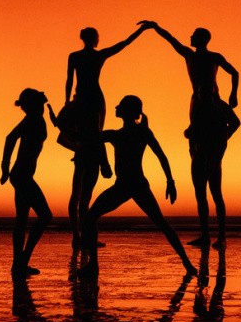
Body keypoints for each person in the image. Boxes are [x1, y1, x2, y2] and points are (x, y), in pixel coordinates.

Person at [143, 21, 240, 248]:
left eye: (194, 34)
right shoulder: (189, 56)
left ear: (203, 39)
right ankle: (206, 235)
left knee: (215, 190)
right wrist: (156, 27)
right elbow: (172, 41)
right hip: (198, 118)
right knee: (200, 191)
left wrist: (234, 96)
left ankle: (221, 236)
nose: (190, 36)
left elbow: (234, 73)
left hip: (212, 121)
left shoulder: (213, 60)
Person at [78, 95, 198, 278]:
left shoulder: (130, 134)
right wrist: (170, 182)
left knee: (91, 217)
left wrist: (171, 182)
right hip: (128, 185)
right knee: (90, 217)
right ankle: (187, 264)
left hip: (132, 185)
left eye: (120, 106)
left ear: (128, 111)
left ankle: (187, 263)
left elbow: (161, 156)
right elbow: (89, 138)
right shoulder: (123, 134)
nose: (116, 108)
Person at [63, 25, 149, 248]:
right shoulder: (95, 55)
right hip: (90, 99)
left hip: (85, 98)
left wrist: (67, 104)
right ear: (94, 39)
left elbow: (69, 82)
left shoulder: (77, 56)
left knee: (90, 141)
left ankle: (78, 234)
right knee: (94, 137)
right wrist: (141, 31)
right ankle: (80, 233)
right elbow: (123, 44)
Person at [0, 88, 54, 277]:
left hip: (22, 175)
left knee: (22, 221)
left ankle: (19, 264)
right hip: (21, 175)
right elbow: (10, 138)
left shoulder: (34, 119)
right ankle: (22, 260)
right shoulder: (32, 119)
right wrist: (4, 167)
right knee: (45, 215)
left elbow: (11, 138)